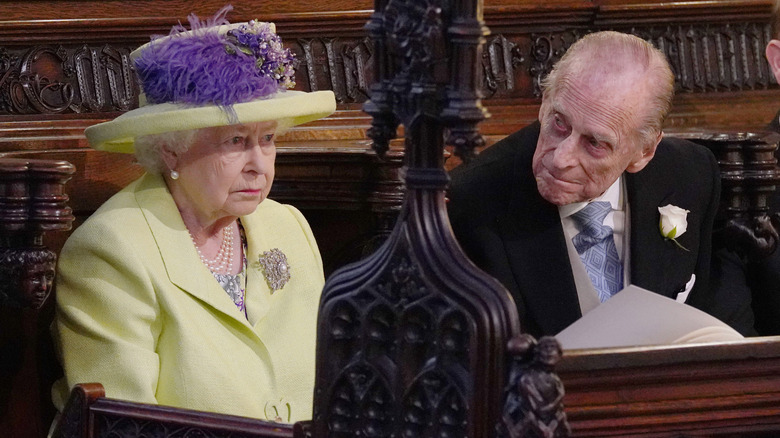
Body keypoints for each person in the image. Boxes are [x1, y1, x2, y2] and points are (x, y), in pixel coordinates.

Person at [50, 6, 336, 423]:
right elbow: (124, 427)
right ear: (170, 149)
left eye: (268, 138)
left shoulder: (288, 226)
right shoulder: (110, 250)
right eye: (237, 140)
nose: (260, 163)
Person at [447, 31, 732, 338]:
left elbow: (718, 324)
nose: (560, 159)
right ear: (544, 103)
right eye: (559, 123)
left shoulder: (690, 174)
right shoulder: (470, 203)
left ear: (644, 152)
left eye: (595, 143)